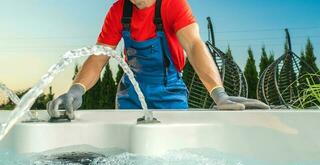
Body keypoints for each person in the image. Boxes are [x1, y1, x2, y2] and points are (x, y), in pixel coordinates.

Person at [47, 0, 269, 120]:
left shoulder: (173, 4)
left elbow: (193, 46)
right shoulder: (118, 11)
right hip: (131, 93)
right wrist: (76, 90)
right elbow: (99, 57)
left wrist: (219, 95)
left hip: (169, 91)